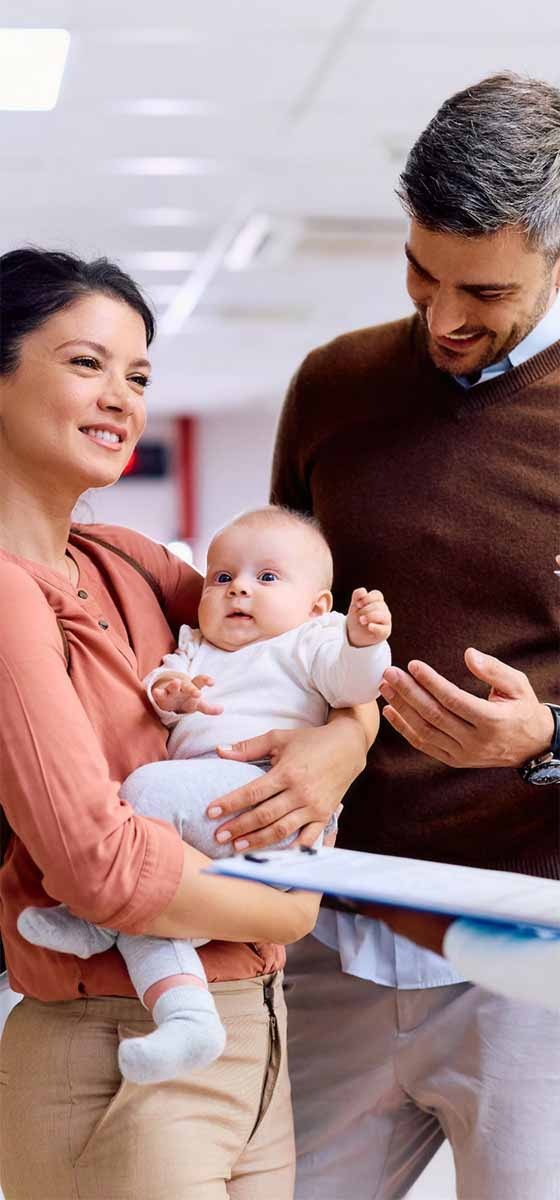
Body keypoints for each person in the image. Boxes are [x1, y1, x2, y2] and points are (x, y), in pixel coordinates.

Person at [203, 74, 560, 1199]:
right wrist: (336, 738)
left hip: (530, 959)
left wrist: (541, 737)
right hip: (334, 928)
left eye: (484, 289)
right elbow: (268, 633)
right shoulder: (334, 387)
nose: (442, 316)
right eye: (419, 271)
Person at [0, 248, 376, 1200]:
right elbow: (96, 865)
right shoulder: (8, 593)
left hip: (254, 1034)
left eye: (138, 375)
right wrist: (292, 906)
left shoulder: (127, 560)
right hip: (115, 1048)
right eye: (86, 363)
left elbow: (302, 640)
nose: (121, 397)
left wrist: (349, 737)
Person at [18, 505, 391, 1086]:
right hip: (205, 811)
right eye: (221, 577)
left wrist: (365, 644)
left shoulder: (311, 640)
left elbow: (352, 684)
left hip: (271, 795)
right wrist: (174, 693)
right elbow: (162, 689)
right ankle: (186, 1016)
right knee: (154, 916)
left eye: (266, 578)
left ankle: (97, 925)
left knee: (141, 793)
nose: (238, 587)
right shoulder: (197, 644)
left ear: (317, 605)